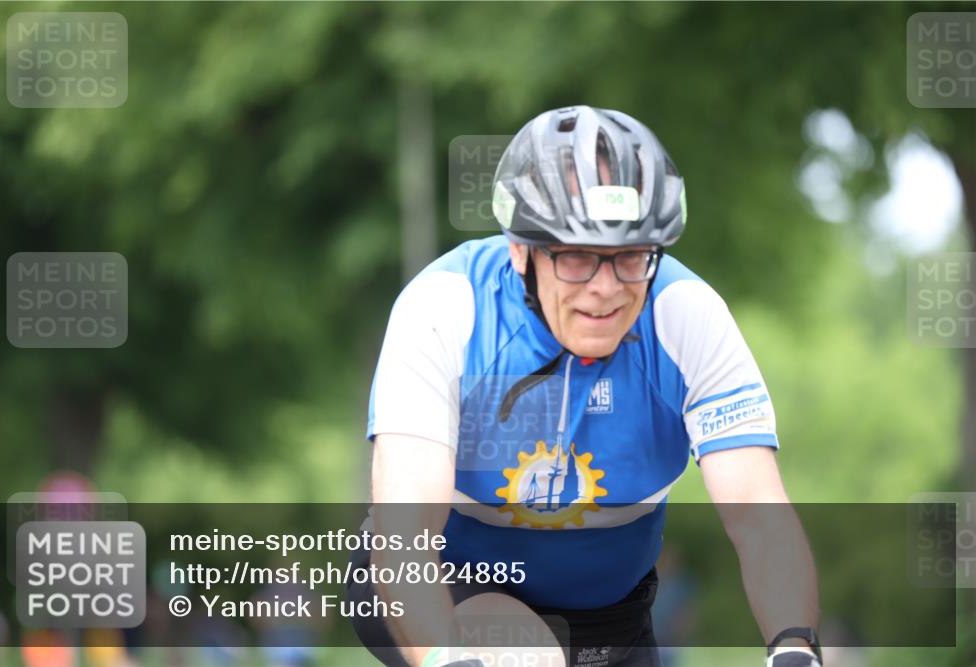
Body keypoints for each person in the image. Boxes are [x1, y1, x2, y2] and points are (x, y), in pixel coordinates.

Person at [349, 106, 822, 667]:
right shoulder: (446, 309)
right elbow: (405, 533)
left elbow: (756, 510)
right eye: (576, 257)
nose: (606, 289)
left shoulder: (685, 316)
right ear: (520, 249)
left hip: (612, 620)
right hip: (446, 590)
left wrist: (794, 650)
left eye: (629, 257)